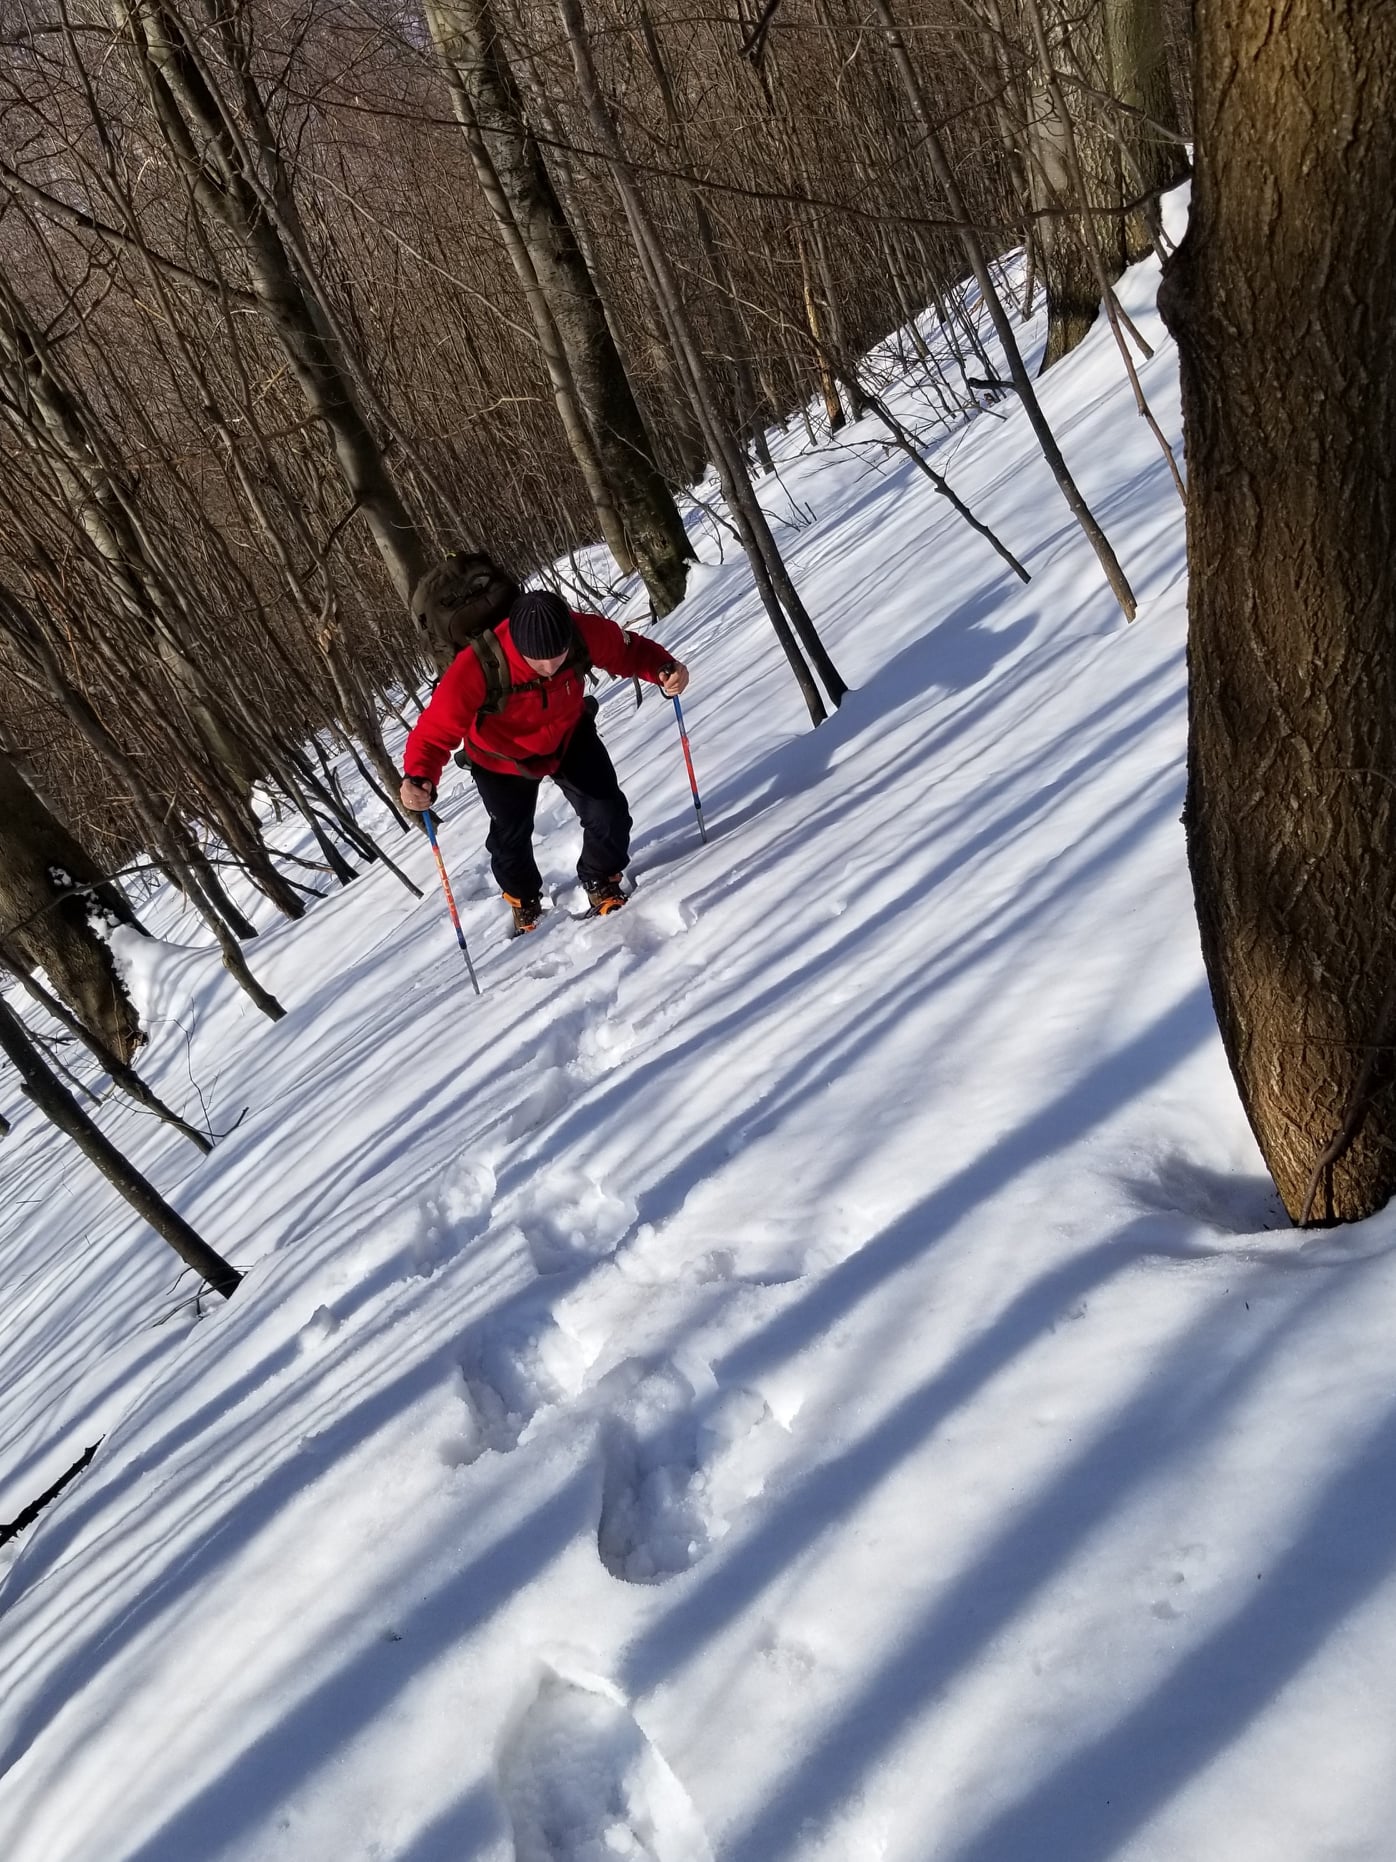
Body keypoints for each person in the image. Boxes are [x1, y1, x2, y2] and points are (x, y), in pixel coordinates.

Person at [399, 588, 690, 932]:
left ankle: (600, 878)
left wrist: (663, 668)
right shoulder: (477, 668)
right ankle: (524, 901)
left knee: (608, 812)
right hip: (500, 757)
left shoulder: (582, 633)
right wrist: (418, 777)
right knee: (510, 838)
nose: (551, 667)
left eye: (558, 655)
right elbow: (433, 734)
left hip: (568, 735)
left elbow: (632, 651)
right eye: (538, 661)